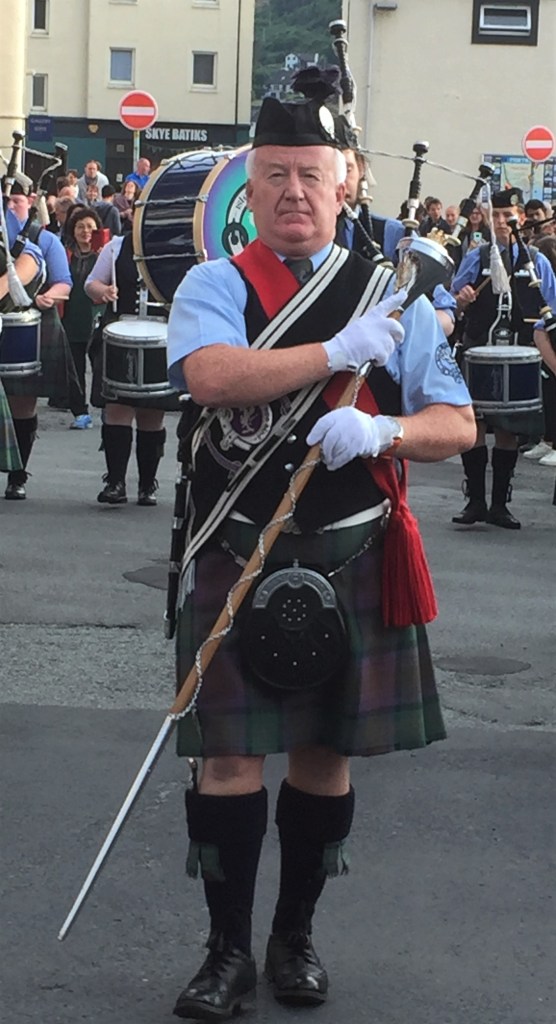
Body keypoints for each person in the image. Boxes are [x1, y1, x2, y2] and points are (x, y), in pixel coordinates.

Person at [165, 85, 475, 1021]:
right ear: (247, 192)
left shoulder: (394, 298)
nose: (293, 192)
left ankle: (293, 938)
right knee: (226, 762)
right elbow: (213, 373)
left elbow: (456, 425)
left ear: (344, 186)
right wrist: (333, 349)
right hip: (238, 553)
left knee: (323, 755)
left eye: (311, 175)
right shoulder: (215, 284)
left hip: (349, 554)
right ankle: (225, 954)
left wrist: (383, 436)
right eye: (274, 177)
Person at [451, 187, 556, 528]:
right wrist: (462, 297)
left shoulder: (536, 262)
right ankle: (476, 502)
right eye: (495, 216)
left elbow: (550, 309)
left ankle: (500, 504)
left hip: (521, 355)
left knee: (509, 429)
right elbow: (453, 300)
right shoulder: (477, 257)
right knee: (476, 425)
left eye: (507, 217)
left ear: (520, 219)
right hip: (479, 350)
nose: (501, 222)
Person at [84, 227, 174, 506]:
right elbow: (91, 285)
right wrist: (104, 290)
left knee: (152, 413)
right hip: (120, 333)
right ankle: (115, 482)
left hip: (161, 335)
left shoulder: (176, 245)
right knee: (117, 408)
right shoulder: (116, 247)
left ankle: (147, 485)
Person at [3, 186, 82, 499]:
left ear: (31, 202)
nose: (10, 206)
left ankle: (17, 475)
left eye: (16, 200)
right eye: (5, 200)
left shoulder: (44, 239)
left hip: (33, 322)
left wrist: (51, 295)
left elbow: (64, 283)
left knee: (23, 402)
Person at [63, 206, 103, 429]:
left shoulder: (106, 253)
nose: (85, 231)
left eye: (89, 226)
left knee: (100, 367)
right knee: (75, 368)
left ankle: (106, 408)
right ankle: (80, 411)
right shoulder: (66, 253)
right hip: (72, 318)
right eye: (80, 226)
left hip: (97, 317)